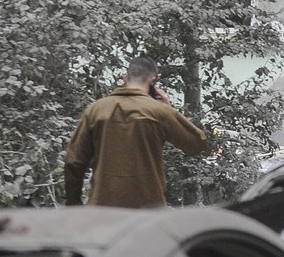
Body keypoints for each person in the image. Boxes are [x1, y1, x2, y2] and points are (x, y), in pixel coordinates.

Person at [64, 56, 208, 208]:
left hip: (102, 208)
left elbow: (74, 161)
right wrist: (169, 109)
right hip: (148, 209)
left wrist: (73, 203)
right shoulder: (160, 112)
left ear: (125, 78)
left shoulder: (96, 110)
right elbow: (197, 143)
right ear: (152, 79)